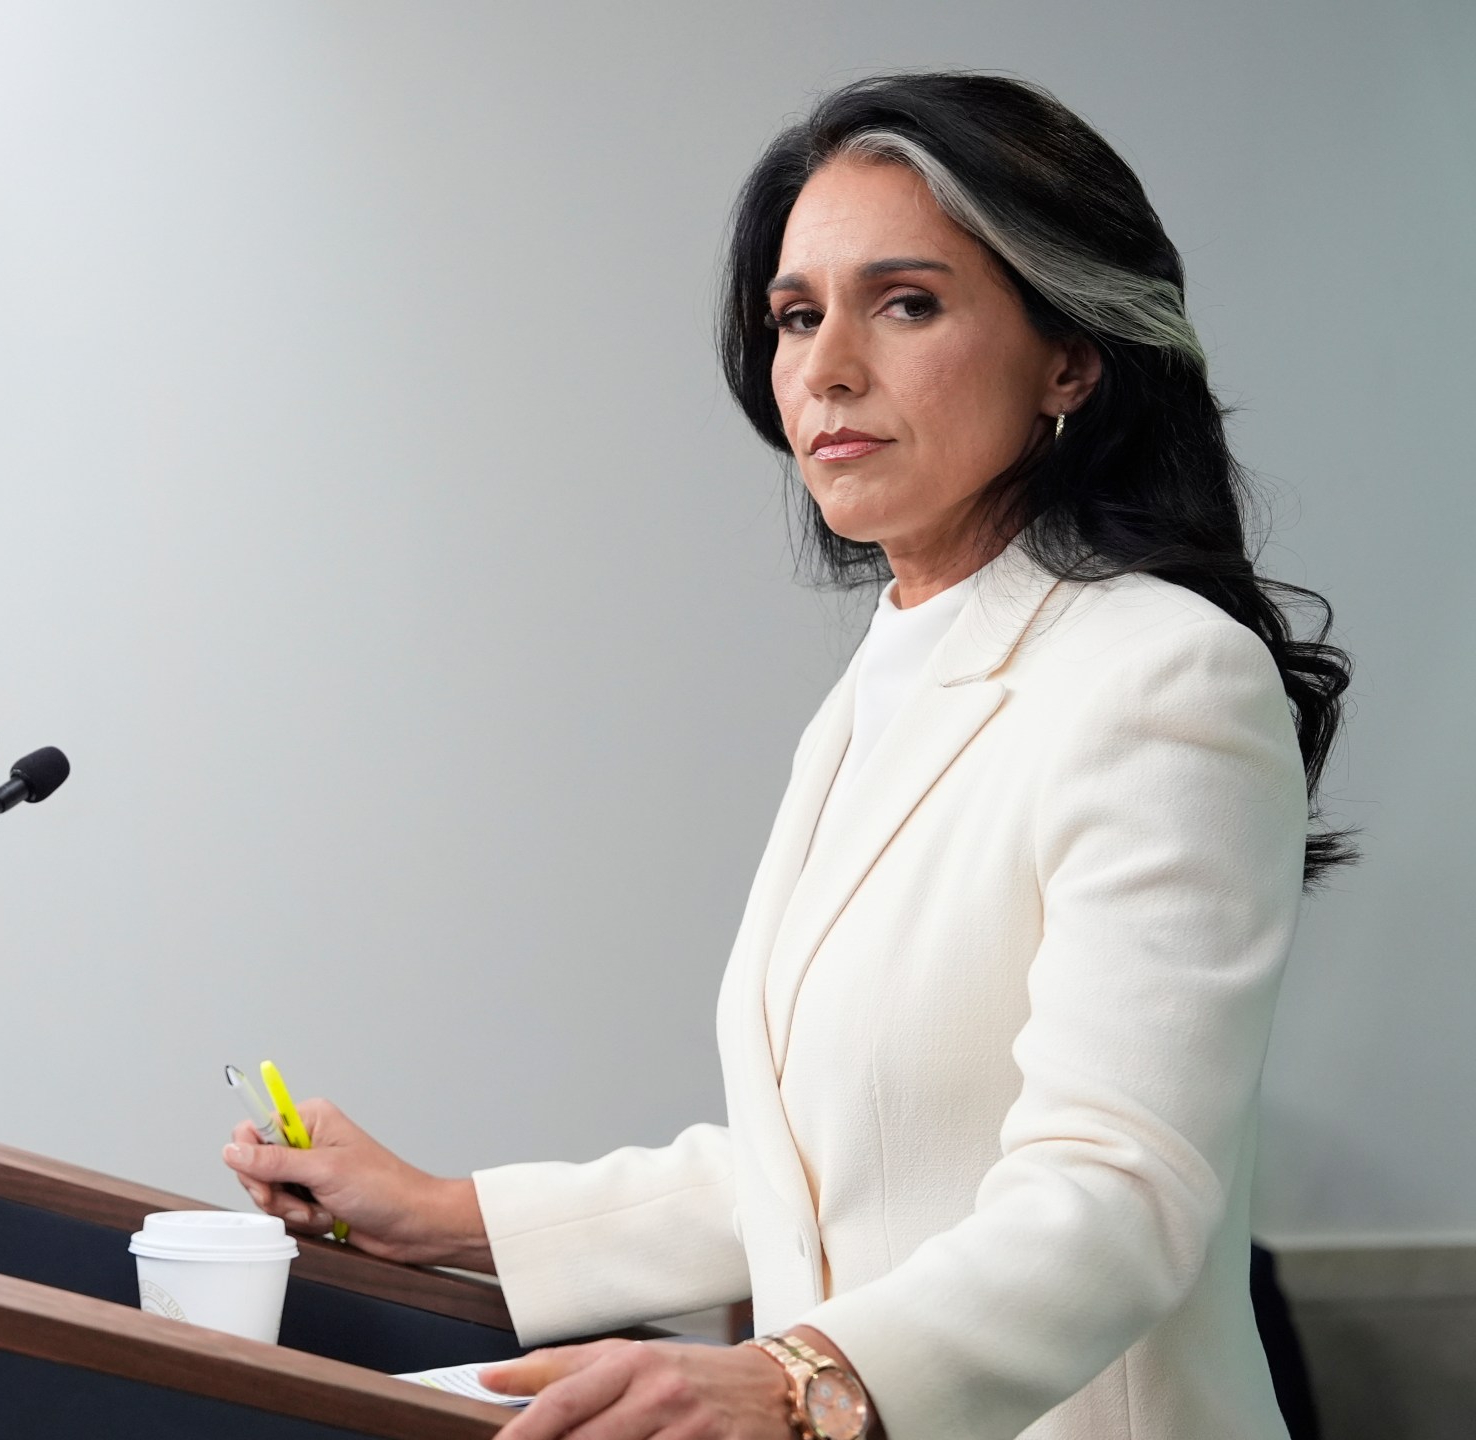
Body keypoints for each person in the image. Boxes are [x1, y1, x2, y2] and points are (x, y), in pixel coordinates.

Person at [223, 73, 1350, 1440]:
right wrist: (444, 1213)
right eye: (797, 316)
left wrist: (797, 1378)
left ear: (1072, 355)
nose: (826, 366)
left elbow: (1119, 1195)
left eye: (907, 302)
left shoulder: (1161, 672)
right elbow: (834, 1155)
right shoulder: (885, 680)